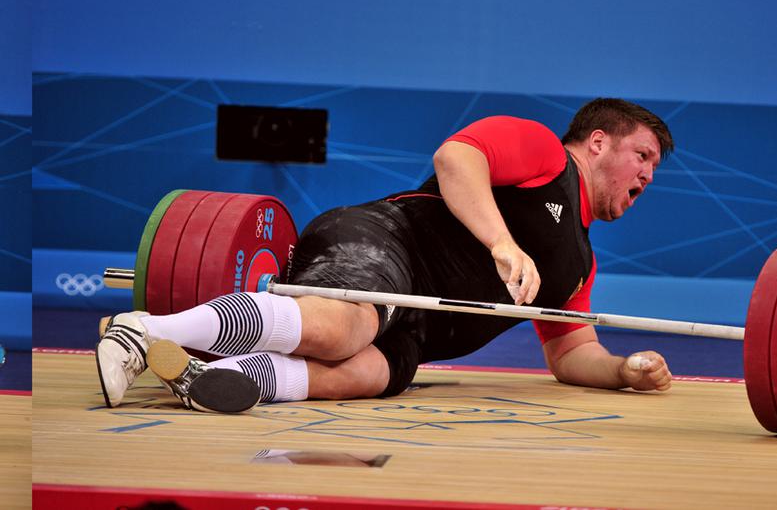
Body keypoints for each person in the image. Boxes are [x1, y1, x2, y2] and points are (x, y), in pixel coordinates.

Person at [96, 98, 675, 413]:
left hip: (414, 330)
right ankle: (142, 333)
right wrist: (501, 242)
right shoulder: (545, 154)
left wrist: (625, 372)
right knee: (347, 328)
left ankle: (203, 373)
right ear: (598, 142)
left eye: (655, 167)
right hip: (387, 241)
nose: (648, 175)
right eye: (642, 155)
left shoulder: (580, 264)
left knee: (364, 374)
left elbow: (572, 352)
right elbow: (456, 158)